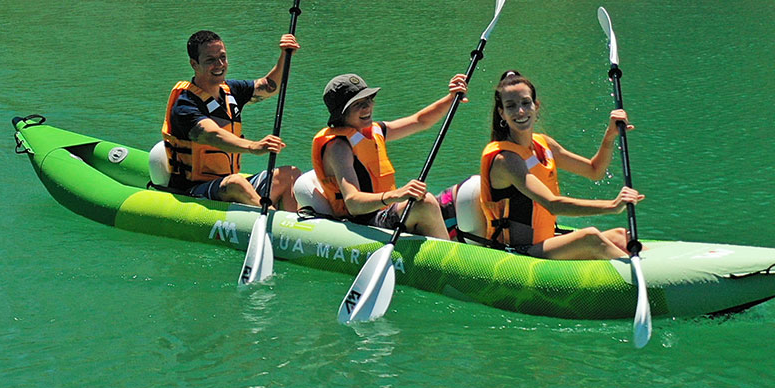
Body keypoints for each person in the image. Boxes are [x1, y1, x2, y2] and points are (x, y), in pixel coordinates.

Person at [478, 70, 644, 259]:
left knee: (622, 236)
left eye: (525, 103)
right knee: (590, 237)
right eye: (511, 106)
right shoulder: (505, 160)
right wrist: (612, 206)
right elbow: (553, 204)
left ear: (536, 106)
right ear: (502, 113)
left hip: (547, 240)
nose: (520, 111)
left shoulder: (544, 144)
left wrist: (610, 135)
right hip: (518, 252)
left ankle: (655, 272)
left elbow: (595, 170)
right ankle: (648, 283)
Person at [311, 72, 468, 238]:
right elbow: (353, 203)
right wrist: (397, 195)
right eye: (357, 104)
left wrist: (450, 98)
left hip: (388, 210)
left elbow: (420, 121)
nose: (367, 107)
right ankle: (446, 258)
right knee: (426, 202)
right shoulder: (338, 148)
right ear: (340, 113)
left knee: (462, 193)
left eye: (368, 99)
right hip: (365, 223)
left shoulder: (373, 131)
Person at [160, 30, 300, 208]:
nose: (219, 64)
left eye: (222, 57)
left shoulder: (231, 90)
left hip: (227, 183)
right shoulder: (185, 105)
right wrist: (253, 146)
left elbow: (269, 87)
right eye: (210, 60)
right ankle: (274, 221)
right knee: (236, 183)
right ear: (194, 64)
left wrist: (285, 55)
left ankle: (292, 225)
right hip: (194, 190)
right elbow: (212, 135)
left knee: (290, 174)